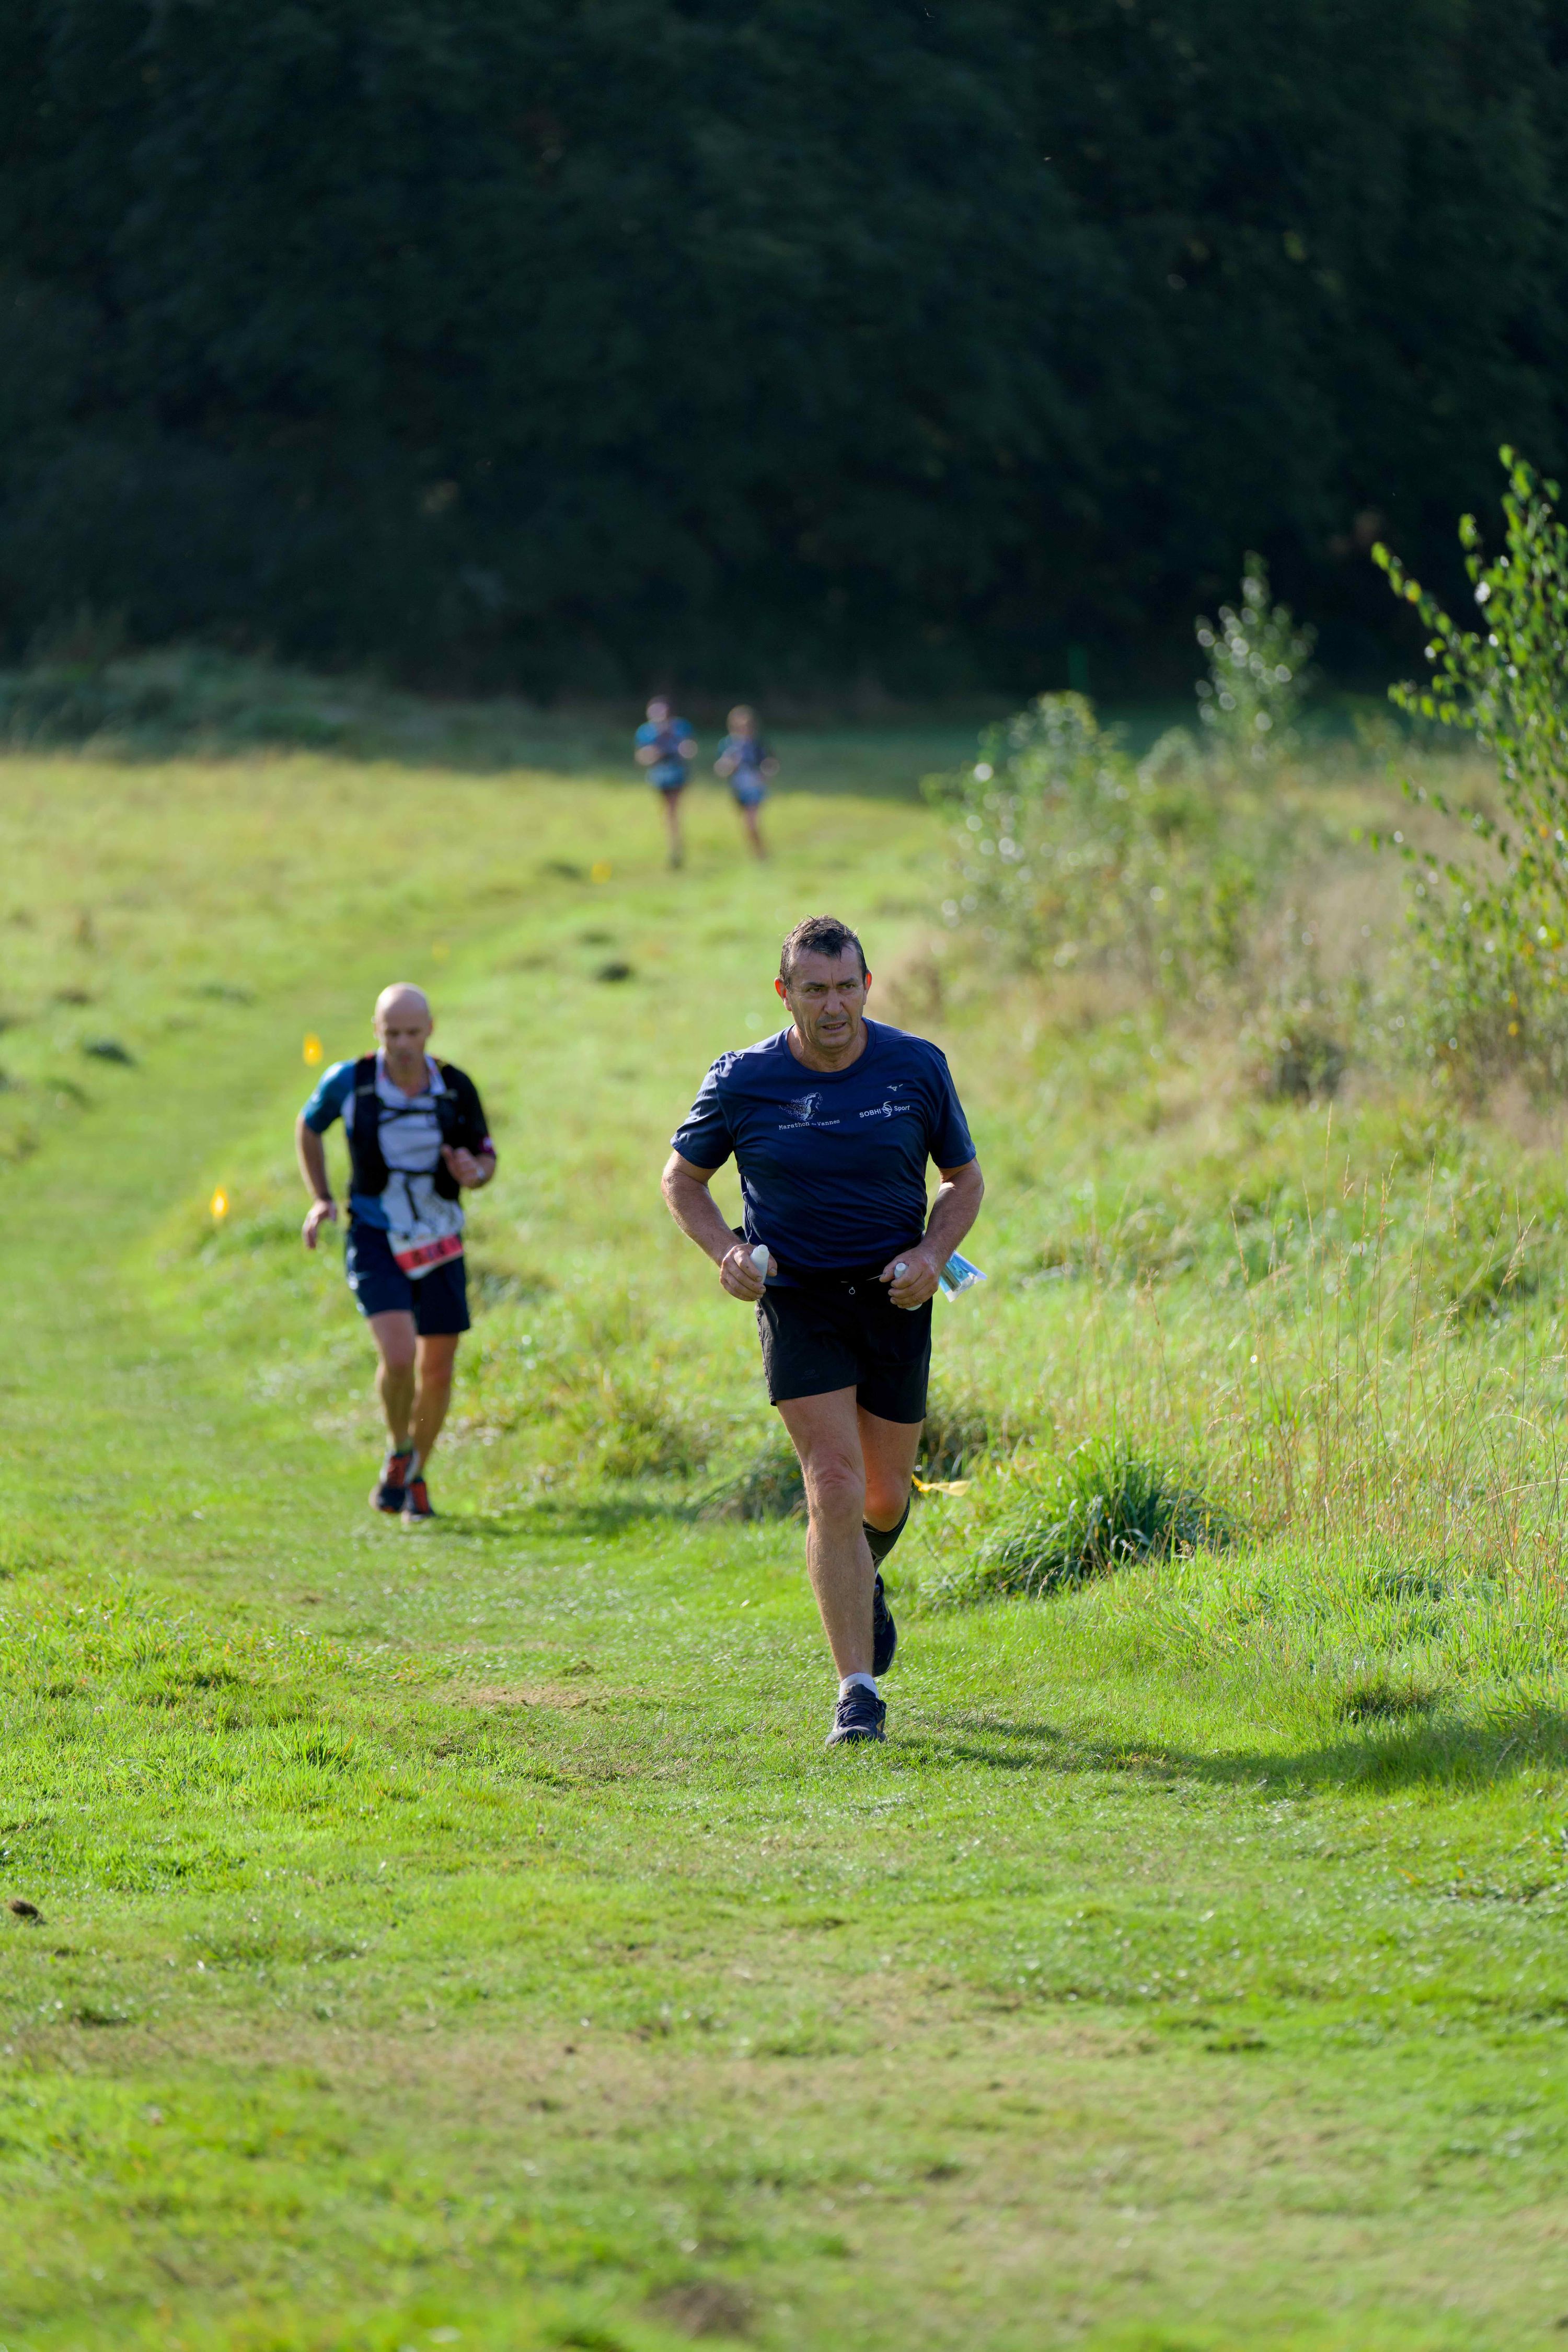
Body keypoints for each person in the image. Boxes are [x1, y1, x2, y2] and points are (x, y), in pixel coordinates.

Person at [662, 916, 984, 1747]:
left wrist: (931, 1255)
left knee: (883, 1497)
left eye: (846, 987)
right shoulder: (743, 1079)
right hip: (798, 1298)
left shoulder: (917, 1066)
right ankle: (857, 1694)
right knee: (834, 1487)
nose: (833, 1006)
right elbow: (683, 1180)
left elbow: (963, 1179)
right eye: (815, 990)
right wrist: (727, 1252)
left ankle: (858, 1575)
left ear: (867, 986)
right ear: (785, 993)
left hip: (894, 1298)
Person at [295, 984, 496, 1525]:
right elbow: (309, 1127)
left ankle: (416, 1477)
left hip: (440, 1238)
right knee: (401, 1356)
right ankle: (399, 1445)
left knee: (439, 1369)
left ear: (430, 1030)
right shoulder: (351, 1081)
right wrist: (321, 1198)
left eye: (412, 1033)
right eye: (392, 1034)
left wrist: (473, 1173)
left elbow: (485, 1157)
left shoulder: (455, 1086)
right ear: (376, 1031)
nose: (403, 1044)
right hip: (375, 1235)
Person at [633, 696, 698, 869]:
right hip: (659, 775)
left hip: (677, 773)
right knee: (668, 811)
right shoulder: (646, 732)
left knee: (671, 810)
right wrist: (652, 754)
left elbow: (691, 749)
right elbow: (641, 757)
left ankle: (675, 847)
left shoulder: (680, 728)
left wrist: (684, 750)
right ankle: (674, 844)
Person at [713, 705, 777, 859]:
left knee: (752, 822)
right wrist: (729, 765)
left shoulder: (758, 743)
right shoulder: (727, 745)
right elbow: (720, 769)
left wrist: (765, 773)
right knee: (745, 824)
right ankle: (757, 853)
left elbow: (771, 763)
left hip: (754, 787)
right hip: (738, 788)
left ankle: (761, 855)